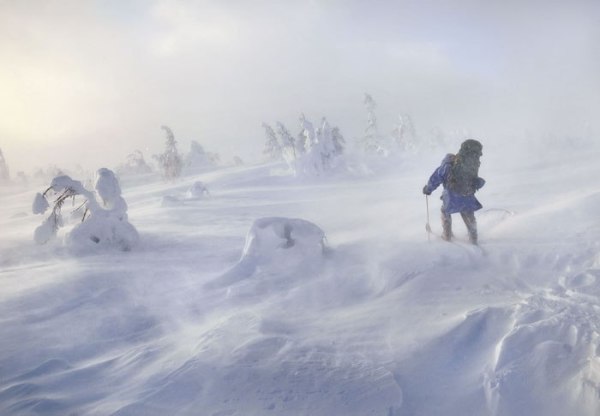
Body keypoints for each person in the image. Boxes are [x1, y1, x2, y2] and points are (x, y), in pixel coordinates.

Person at [422, 139, 485, 244]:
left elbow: (435, 179)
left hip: (452, 197)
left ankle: (447, 235)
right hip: (468, 194)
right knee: (468, 213)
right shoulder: (470, 164)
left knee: (445, 211)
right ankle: (473, 237)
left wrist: (428, 190)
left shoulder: (446, 166)